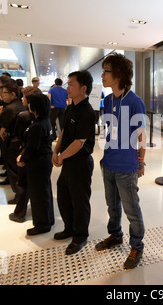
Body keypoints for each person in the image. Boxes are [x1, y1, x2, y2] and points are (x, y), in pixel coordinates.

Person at [97, 52, 147, 269]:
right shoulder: (107, 100)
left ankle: (137, 246)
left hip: (127, 166)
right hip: (108, 162)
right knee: (112, 206)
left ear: (117, 74)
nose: (102, 75)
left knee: (131, 209)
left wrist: (141, 161)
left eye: (106, 71)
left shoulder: (136, 102)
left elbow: (142, 135)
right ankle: (115, 235)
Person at [52, 70, 95, 255]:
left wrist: (61, 157)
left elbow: (79, 142)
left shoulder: (87, 111)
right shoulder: (71, 106)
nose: (67, 87)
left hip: (80, 162)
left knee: (80, 201)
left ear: (83, 88)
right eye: (68, 83)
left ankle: (80, 235)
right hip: (68, 160)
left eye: (71, 84)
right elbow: (64, 133)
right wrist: (56, 149)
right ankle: (69, 227)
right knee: (63, 194)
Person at [17, 92, 55, 236]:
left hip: (38, 163)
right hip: (44, 161)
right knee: (44, 192)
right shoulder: (45, 120)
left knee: (38, 195)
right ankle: (48, 219)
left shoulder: (38, 125)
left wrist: (22, 159)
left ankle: (42, 224)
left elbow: (32, 147)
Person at [8, 86, 41, 223]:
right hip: (35, 156)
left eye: (24, 97)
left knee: (22, 183)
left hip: (25, 154)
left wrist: (21, 155)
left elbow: (19, 137)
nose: (22, 99)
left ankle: (20, 212)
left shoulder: (24, 117)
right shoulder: (40, 118)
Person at [0, 83, 26, 202]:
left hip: (11, 142)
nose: (2, 95)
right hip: (19, 141)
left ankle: (19, 197)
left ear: (13, 94)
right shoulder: (21, 106)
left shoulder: (10, 108)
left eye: (5, 93)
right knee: (17, 171)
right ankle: (21, 196)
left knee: (14, 172)